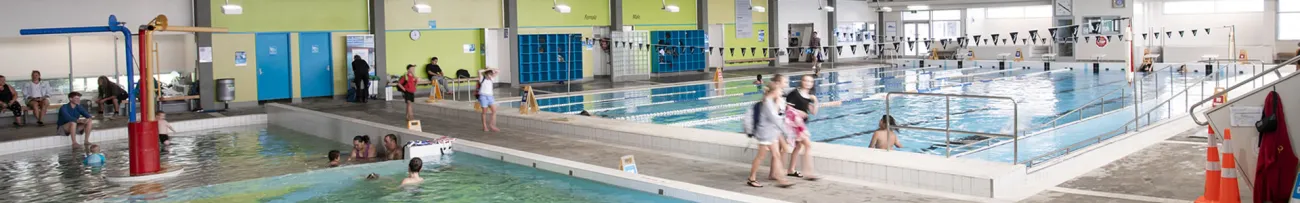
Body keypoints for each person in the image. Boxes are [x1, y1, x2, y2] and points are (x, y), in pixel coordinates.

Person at [744, 81, 795, 188]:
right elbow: (775, 118)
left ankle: (782, 179)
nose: (781, 92)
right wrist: (787, 132)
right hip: (765, 134)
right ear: (774, 91)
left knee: (776, 155)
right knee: (760, 156)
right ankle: (751, 178)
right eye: (780, 90)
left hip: (771, 133)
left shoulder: (771, 101)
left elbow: (776, 116)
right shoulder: (767, 102)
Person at [784, 75, 819, 180]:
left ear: (812, 84)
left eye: (810, 81)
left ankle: (791, 170)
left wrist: (815, 101)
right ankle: (809, 172)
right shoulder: (795, 93)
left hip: (800, 125)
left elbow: (813, 112)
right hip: (794, 125)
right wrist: (800, 112)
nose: (808, 83)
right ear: (802, 81)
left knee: (798, 147)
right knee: (808, 145)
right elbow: (786, 108)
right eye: (806, 80)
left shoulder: (809, 96)